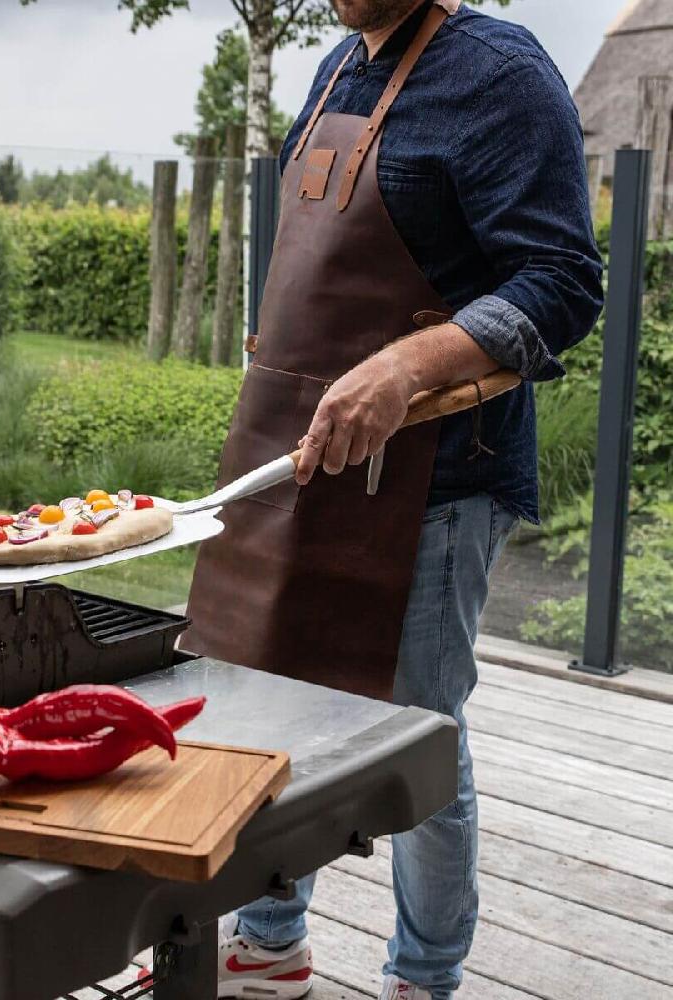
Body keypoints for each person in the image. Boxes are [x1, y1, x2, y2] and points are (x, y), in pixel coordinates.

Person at [180, 2, 604, 999]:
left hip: (437, 478)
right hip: (298, 462)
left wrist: (408, 365)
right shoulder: (336, 71)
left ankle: (423, 976)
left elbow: (561, 281)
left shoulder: (498, 71)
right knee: (273, 706)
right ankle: (272, 940)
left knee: (414, 738)